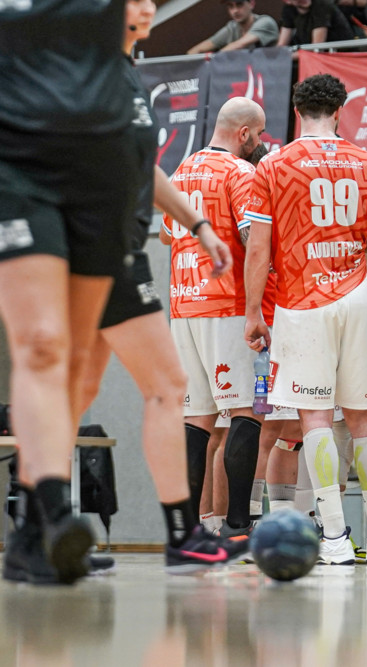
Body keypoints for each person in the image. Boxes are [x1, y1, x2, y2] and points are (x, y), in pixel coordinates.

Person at [75, 0, 244, 576]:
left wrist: (198, 225)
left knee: (156, 385)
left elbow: (140, 168)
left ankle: (181, 535)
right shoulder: (86, 68)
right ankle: (42, 524)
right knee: (75, 384)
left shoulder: (128, 73)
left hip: (122, 249)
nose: (147, 6)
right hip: (86, 245)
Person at [243, 73, 367, 566]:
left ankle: (334, 536)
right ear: (339, 111)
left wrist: (253, 313)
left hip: (300, 300)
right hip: (355, 295)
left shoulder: (274, 165)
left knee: (313, 416)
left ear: (297, 112)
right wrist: (360, 252)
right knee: (364, 416)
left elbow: (258, 249)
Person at [0, 0, 140, 585]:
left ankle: (31, 535)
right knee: (41, 344)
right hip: (15, 163)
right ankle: (57, 509)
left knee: (77, 366)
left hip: (100, 165)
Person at [161, 97, 267, 540]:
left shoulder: (180, 172)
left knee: (196, 419)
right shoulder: (240, 173)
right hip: (227, 305)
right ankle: (238, 525)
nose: (260, 142)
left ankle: (188, 532)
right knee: (246, 411)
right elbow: (253, 238)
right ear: (244, 133)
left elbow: (167, 235)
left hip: (183, 307)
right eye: (258, 134)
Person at [188, 0, 279, 54]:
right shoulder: (231, 28)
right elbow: (195, 50)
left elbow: (239, 45)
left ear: (251, 3)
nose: (235, 11)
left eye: (239, 4)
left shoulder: (265, 22)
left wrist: (213, 60)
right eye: (230, 6)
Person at [277, 0, 354, 46]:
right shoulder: (288, 9)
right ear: (288, 1)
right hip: (315, 55)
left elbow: (317, 46)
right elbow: (282, 44)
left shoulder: (322, 4)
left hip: (341, 55)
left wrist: (288, 56)